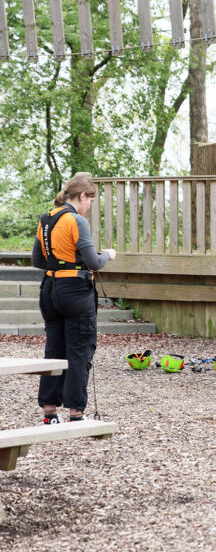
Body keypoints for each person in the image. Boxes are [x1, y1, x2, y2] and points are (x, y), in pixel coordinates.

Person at [32, 173, 116, 424]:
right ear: (82, 196)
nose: (90, 206)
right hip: (75, 292)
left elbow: (37, 260)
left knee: (54, 349)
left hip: (49, 288)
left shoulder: (46, 218)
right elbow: (94, 262)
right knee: (79, 351)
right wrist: (108, 254)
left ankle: (49, 412)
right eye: (90, 200)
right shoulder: (76, 221)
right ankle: (76, 413)